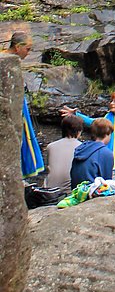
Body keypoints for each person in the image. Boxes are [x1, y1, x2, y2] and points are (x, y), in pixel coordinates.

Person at [61, 91, 115, 178]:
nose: (112, 103)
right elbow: (92, 122)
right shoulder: (107, 119)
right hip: (109, 161)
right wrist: (75, 114)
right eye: (112, 101)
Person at [4, 30, 45, 178]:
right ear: (17, 47)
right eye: (27, 49)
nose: (28, 53)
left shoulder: (13, 61)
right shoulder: (6, 61)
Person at [70, 117, 115, 187]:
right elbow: (107, 181)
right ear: (107, 134)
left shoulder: (82, 148)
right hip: (92, 190)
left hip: (77, 190)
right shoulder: (106, 153)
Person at [44, 114, 83, 190]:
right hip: (68, 191)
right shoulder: (82, 148)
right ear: (79, 131)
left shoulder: (50, 146)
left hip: (49, 189)